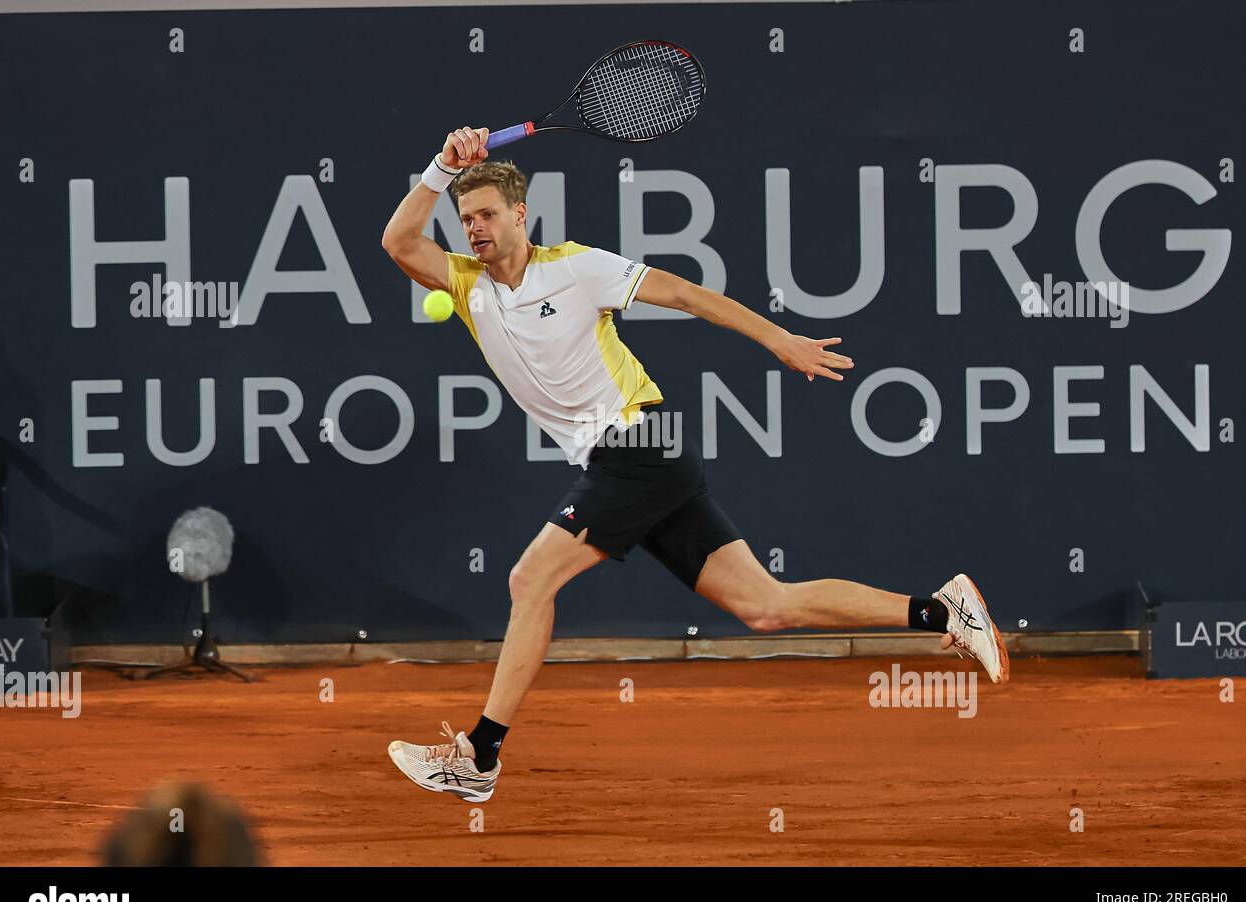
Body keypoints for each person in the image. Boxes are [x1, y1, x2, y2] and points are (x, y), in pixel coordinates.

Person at [381, 126, 1008, 803]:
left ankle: (480, 756)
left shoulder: (576, 267)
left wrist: (779, 338)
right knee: (766, 607)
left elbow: (682, 294)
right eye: (466, 217)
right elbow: (398, 242)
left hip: (641, 447)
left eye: (487, 215)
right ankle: (943, 612)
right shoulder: (468, 285)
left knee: (529, 579)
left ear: (521, 215)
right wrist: (442, 166)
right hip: (634, 463)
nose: (474, 228)